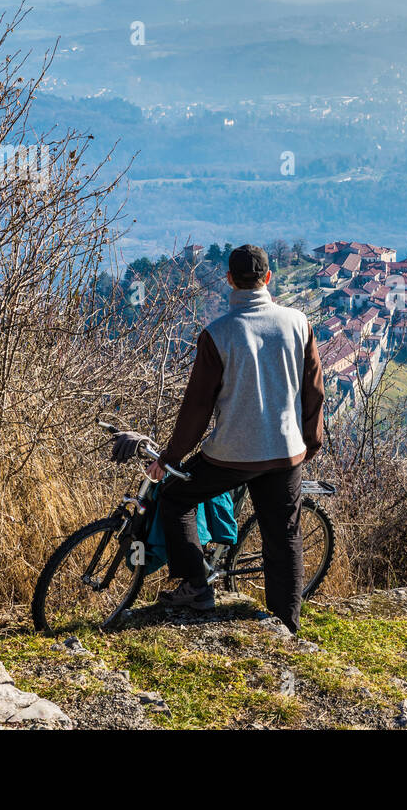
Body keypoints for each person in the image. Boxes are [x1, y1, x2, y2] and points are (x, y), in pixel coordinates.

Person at [114, 244, 323, 632]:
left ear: (229, 280)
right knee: (284, 537)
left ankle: (197, 585)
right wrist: (310, 441)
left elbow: (197, 409)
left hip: (231, 455)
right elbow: (314, 391)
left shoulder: (218, 334)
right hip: (285, 451)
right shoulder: (299, 323)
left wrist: (172, 458)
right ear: (268, 279)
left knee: (176, 499)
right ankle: (286, 627)